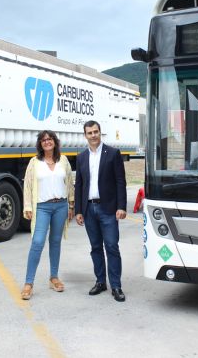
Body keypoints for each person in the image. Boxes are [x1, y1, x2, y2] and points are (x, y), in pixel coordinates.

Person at [74, 120, 127, 302]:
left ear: (100, 132)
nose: (93, 135)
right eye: (90, 133)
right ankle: (100, 282)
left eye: (96, 132)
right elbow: (79, 184)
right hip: (89, 209)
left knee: (111, 246)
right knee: (95, 247)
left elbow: (120, 181)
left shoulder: (113, 153)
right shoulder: (81, 157)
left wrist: (121, 207)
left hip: (108, 209)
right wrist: (78, 210)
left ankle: (116, 285)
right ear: (85, 135)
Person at [21, 130, 74, 300]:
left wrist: (71, 204)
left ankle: (54, 277)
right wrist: (27, 206)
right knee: (37, 242)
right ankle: (28, 283)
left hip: (60, 206)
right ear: (40, 144)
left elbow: (70, 183)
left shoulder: (63, 160)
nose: (47, 142)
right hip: (42, 207)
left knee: (55, 241)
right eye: (43, 140)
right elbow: (28, 186)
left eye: (50, 139)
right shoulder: (34, 162)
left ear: (55, 142)